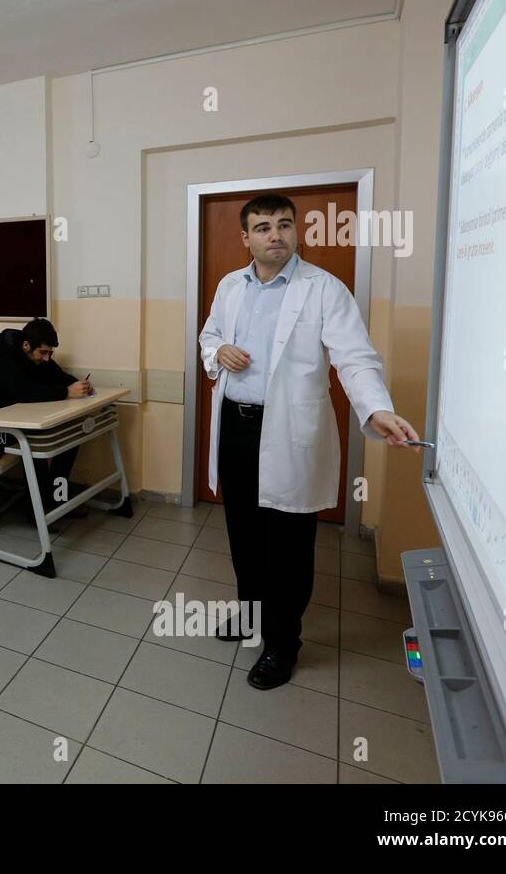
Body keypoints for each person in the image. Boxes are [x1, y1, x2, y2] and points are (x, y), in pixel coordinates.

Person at [199, 193, 419, 691]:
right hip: (235, 425)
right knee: (243, 533)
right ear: (246, 237)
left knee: (289, 546)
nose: (274, 235)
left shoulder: (325, 289)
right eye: (262, 227)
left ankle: (282, 643)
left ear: (296, 231)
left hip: (289, 431)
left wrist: (376, 407)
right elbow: (208, 335)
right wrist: (219, 352)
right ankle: (250, 613)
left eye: (283, 225)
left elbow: (355, 357)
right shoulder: (230, 286)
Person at [0, 318, 91, 517]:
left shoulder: (36, 356)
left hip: (19, 422)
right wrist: (66, 392)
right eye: (43, 352)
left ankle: (57, 498)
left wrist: (79, 385)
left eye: (50, 353)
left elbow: (58, 375)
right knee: (38, 444)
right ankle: (36, 509)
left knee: (70, 436)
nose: (46, 358)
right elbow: (23, 393)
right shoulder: (6, 358)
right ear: (26, 345)